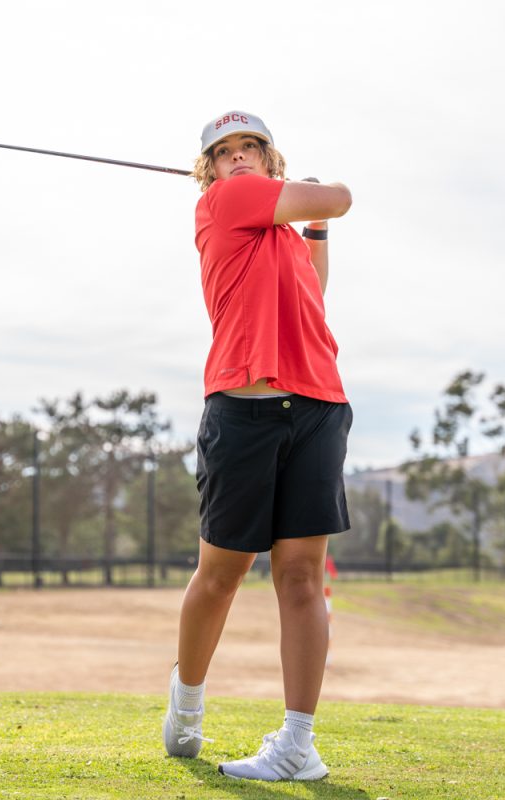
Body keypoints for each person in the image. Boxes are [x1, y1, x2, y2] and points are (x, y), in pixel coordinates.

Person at [162, 111, 353, 782]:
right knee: (222, 575)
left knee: (302, 578)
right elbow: (340, 198)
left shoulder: (276, 232)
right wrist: (313, 192)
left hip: (318, 406)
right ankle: (186, 703)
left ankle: (298, 744)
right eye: (223, 151)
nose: (237, 158)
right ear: (209, 171)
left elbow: (312, 289)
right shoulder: (227, 202)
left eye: (251, 147)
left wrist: (314, 228)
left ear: (270, 159)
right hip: (244, 411)